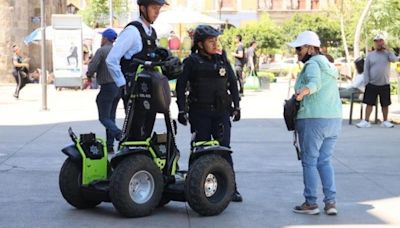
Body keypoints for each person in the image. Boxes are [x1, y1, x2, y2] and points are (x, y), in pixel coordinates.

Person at [176, 25, 243, 202]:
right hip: (200, 113)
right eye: (211, 41)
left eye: (216, 41)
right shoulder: (191, 62)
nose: (215, 44)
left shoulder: (222, 60)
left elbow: (233, 84)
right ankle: (193, 186)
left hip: (221, 113)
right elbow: (181, 86)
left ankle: (231, 188)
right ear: (200, 44)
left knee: (224, 150)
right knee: (200, 150)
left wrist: (237, 106)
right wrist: (181, 110)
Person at [289, 31, 342, 215]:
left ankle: (310, 203)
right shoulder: (329, 64)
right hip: (334, 119)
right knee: (324, 161)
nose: (297, 53)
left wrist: (302, 93)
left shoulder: (312, 64)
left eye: (299, 48)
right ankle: (331, 202)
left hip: (313, 119)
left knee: (309, 162)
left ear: (311, 48)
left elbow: (315, 83)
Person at [106, 0, 168, 111]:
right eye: (154, 8)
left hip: (150, 90)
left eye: (159, 8)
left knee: (148, 126)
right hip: (135, 93)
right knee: (135, 127)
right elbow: (111, 59)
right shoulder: (132, 31)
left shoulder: (152, 32)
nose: (157, 12)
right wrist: (122, 84)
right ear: (143, 8)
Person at [86, 28, 121, 153]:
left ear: (106, 38)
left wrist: (89, 75)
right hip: (118, 87)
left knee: (104, 117)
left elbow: (92, 67)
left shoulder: (101, 51)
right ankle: (110, 146)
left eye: (102, 37)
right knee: (111, 117)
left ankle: (118, 134)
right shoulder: (118, 50)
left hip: (107, 86)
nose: (101, 39)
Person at [356, 34, 399, 128]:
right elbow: (366, 69)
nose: (379, 43)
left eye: (380, 41)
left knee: (385, 103)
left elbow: (394, 59)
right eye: (377, 41)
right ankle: (366, 121)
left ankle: (385, 121)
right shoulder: (370, 55)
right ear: (374, 43)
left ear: (383, 42)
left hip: (384, 83)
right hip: (371, 83)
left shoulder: (388, 54)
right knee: (369, 103)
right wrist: (366, 82)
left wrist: (388, 49)